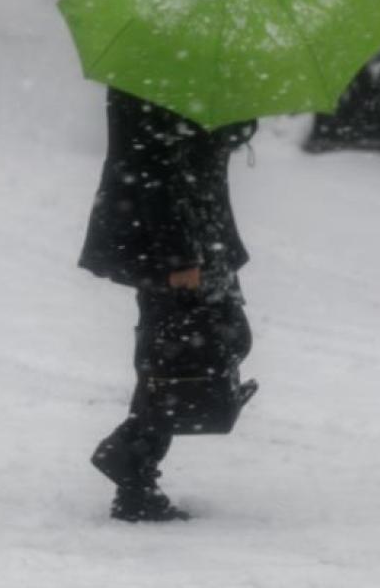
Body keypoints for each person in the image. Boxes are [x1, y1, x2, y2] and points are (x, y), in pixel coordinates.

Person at [80, 87, 257, 522]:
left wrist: (239, 113)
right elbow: (149, 166)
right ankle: (133, 468)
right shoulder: (149, 78)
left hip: (202, 231)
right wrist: (179, 255)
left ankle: (134, 462)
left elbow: (213, 140)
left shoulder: (195, 68)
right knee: (179, 355)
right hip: (174, 242)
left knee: (196, 349)